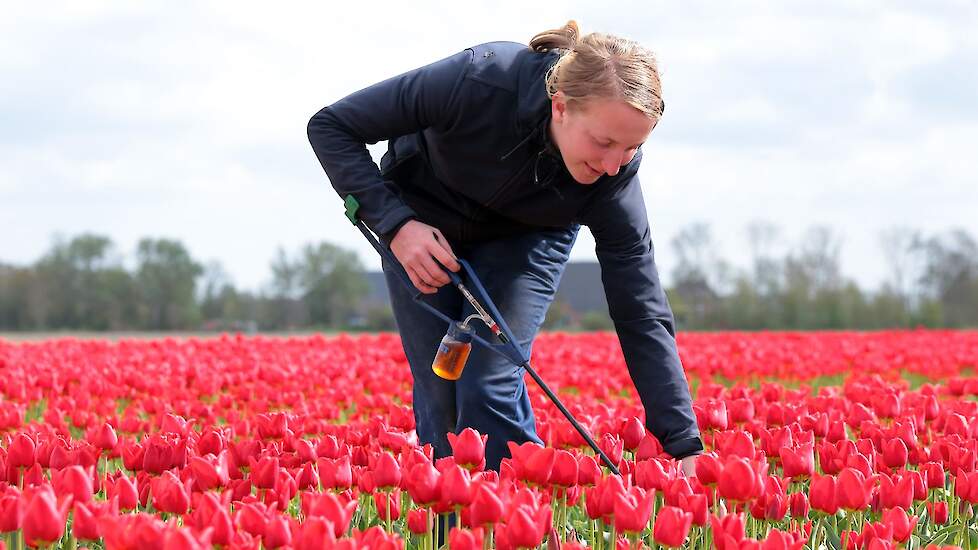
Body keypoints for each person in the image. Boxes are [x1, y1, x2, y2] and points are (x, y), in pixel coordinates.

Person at [307, 21, 703, 476]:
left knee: (488, 380)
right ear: (561, 107)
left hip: (528, 238)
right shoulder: (480, 81)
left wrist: (683, 442)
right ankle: (451, 529)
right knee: (440, 388)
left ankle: (513, 515)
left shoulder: (612, 182)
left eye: (632, 148)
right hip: (422, 220)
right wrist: (396, 225)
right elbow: (331, 126)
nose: (615, 164)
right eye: (605, 142)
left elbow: (641, 307)